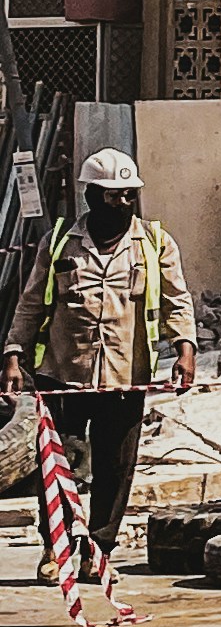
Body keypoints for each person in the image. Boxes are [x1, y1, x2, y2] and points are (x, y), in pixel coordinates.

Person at [5, 146, 197, 572]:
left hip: (125, 376)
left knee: (115, 466)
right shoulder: (60, 242)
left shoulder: (155, 243)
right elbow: (31, 303)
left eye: (129, 194)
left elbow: (176, 300)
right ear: (90, 194)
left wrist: (185, 348)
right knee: (57, 463)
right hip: (63, 373)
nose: (123, 203)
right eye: (113, 195)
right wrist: (14, 355)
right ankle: (55, 547)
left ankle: (98, 550)